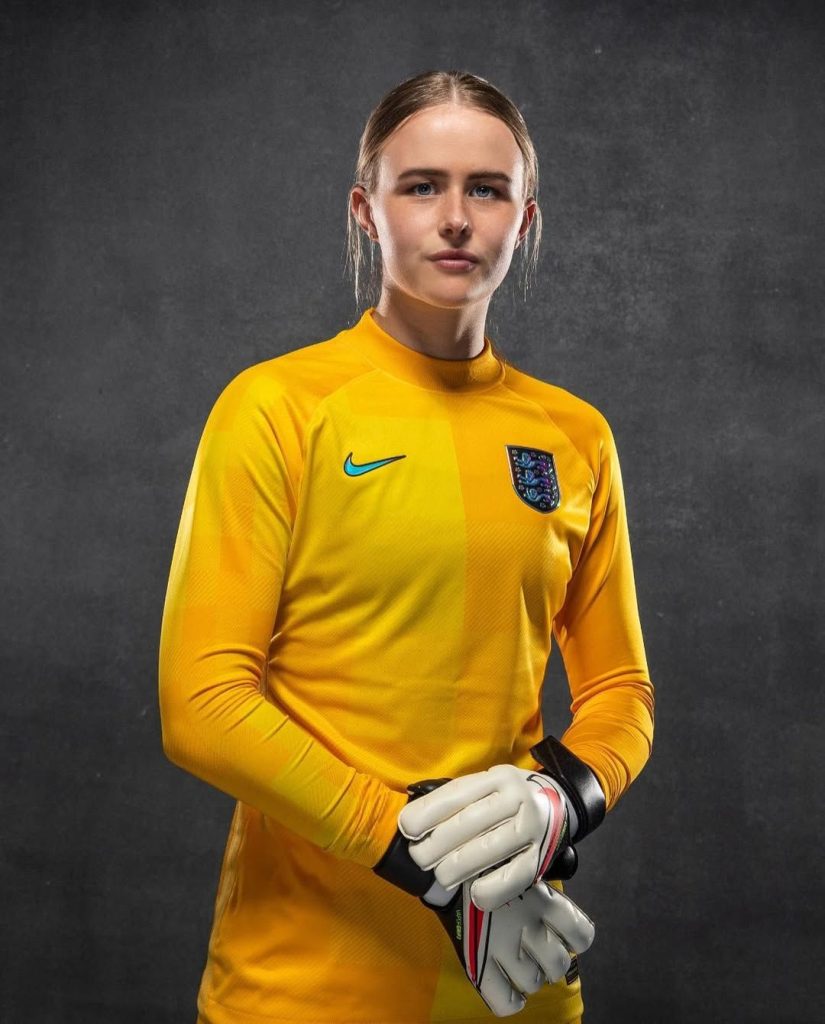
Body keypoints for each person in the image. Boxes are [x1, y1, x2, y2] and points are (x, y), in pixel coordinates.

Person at [158, 69, 655, 1024]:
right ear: (366, 211)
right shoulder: (278, 408)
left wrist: (560, 800)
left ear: (526, 221)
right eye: (422, 186)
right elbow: (203, 704)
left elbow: (620, 692)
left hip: (515, 973)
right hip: (306, 983)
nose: (456, 218)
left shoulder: (575, 435)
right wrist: (426, 864)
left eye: (487, 189)